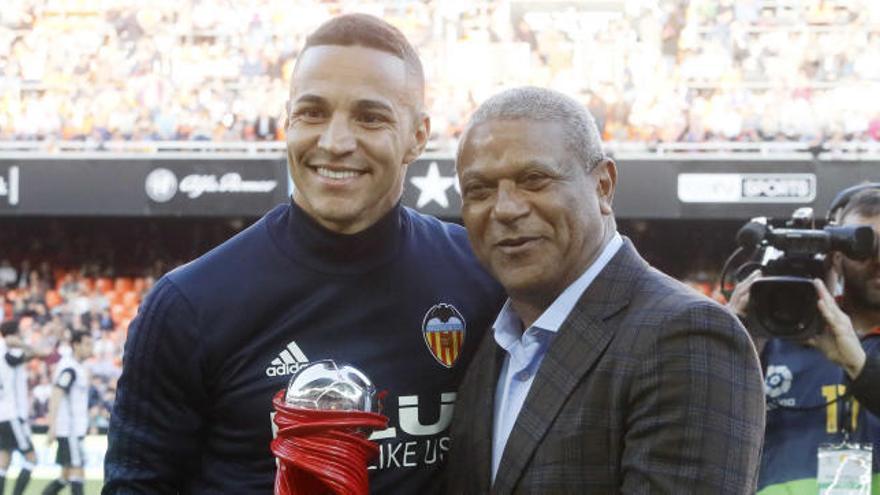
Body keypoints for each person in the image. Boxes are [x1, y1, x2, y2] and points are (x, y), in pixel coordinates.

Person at [103, 14, 504, 494]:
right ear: (286, 122)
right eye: (312, 112)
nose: (335, 143)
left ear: (418, 136)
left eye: (369, 117)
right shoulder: (189, 305)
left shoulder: (482, 277)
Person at [446, 86, 766, 493]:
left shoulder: (687, 337)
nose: (506, 208)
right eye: (479, 190)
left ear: (603, 186)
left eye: (534, 179)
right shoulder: (489, 341)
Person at [728, 186, 880, 494]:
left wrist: (861, 367)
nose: (879, 260)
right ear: (836, 256)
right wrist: (727, 344)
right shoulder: (776, 331)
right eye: (866, 248)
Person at [43, 330, 93, 495]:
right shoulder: (69, 368)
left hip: (75, 429)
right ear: (76, 345)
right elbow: (56, 395)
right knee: (78, 472)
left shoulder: (78, 367)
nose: (90, 347)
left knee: (65, 475)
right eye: (87, 344)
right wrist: (52, 427)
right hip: (70, 430)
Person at [0, 320, 41, 495]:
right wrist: (22, 343)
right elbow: (35, 353)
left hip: (3, 414)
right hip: (12, 414)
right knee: (31, 459)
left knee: (4, 462)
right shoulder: (9, 354)